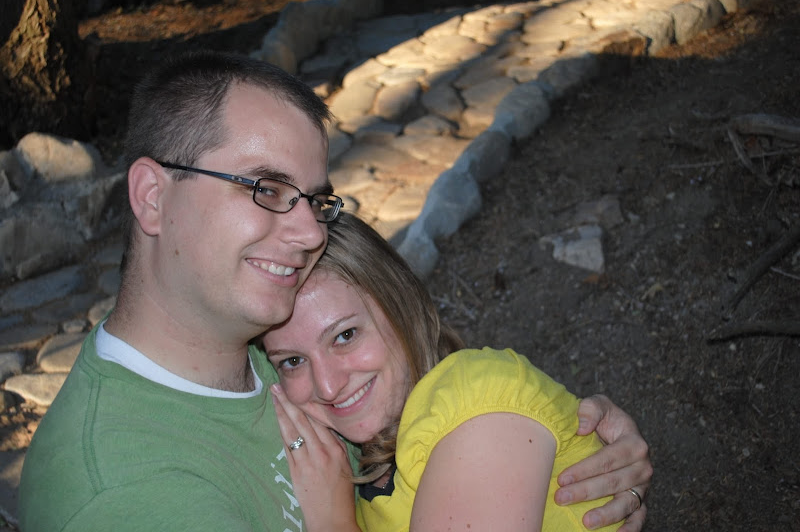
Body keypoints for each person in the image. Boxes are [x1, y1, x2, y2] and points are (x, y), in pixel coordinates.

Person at [18, 51, 649, 531]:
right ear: (153, 197)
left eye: (314, 200)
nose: (309, 232)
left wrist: (574, 435)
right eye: (266, 188)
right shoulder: (122, 494)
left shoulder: (269, 351)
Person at [264, 212, 651, 531]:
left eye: (345, 335)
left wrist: (331, 524)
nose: (328, 385)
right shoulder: (359, 468)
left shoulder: (476, 398)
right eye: (292, 361)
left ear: (401, 306)